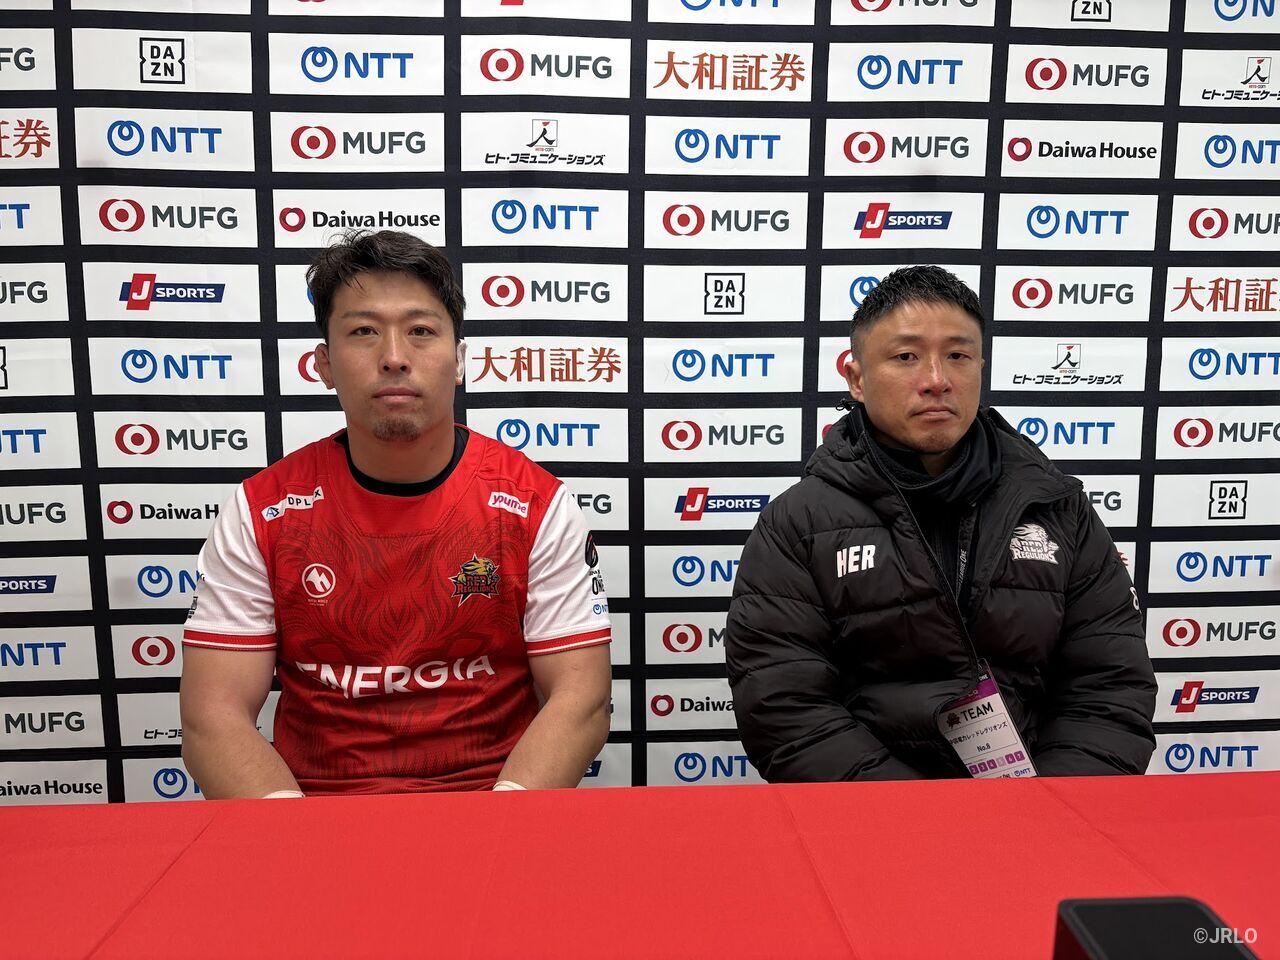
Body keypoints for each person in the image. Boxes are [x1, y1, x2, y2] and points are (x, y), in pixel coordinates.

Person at [180, 230, 612, 798]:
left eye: (421, 331)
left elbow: (581, 699)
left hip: (494, 798)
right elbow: (213, 716)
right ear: (324, 365)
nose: (393, 357)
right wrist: (295, 837)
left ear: (459, 360)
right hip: (311, 806)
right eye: (363, 331)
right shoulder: (261, 509)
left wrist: (498, 827)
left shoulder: (536, 503)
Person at [726, 265, 1156, 780]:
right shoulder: (797, 524)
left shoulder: (1057, 507)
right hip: (876, 814)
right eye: (906, 357)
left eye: (958, 356)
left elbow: (1109, 685)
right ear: (857, 379)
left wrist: (1047, 810)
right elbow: (786, 708)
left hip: (1038, 806)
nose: (936, 380)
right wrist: (916, 816)